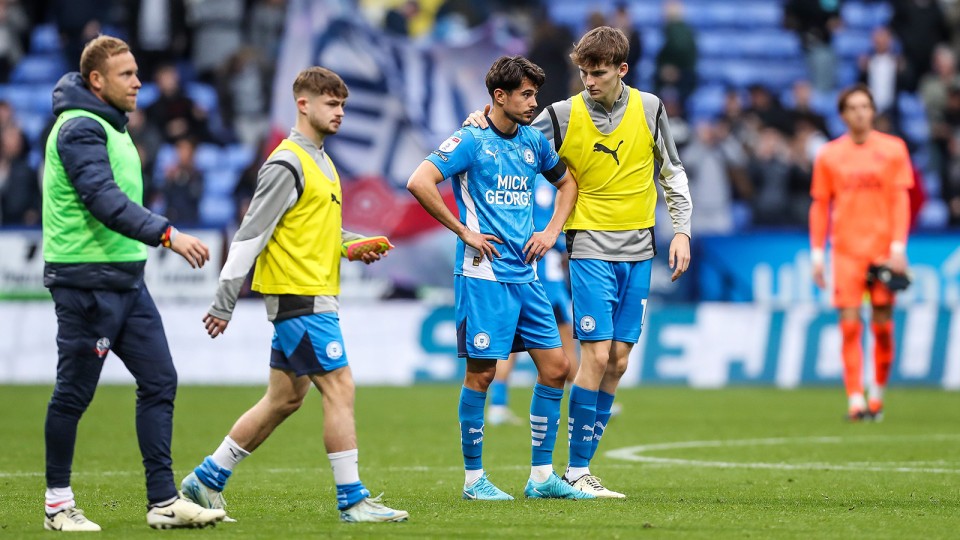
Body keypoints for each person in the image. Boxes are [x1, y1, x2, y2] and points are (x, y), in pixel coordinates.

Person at [466, 26, 692, 498]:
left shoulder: (649, 108)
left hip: (640, 248)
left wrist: (683, 231)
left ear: (622, 70)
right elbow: (511, 135)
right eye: (584, 72)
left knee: (621, 361)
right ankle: (575, 470)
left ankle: (580, 467)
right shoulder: (562, 115)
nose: (589, 81)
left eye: (599, 73)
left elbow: (671, 171)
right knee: (596, 353)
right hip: (588, 245)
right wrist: (480, 120)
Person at [178, 66, 408, 523]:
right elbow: (250, 234)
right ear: (303, 104)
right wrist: (224, 300)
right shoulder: (287, 162)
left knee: (283, 399)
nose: (340, 112)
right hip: (300, 297)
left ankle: (206, 480)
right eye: (331, 103)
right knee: (340, 388)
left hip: (311, 293)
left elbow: (312, 230)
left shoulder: (322, 162)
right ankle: (352, 501)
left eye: (343, 104)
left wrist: (350, 245)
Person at [41, 35, 223, 531]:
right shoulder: (79, 128)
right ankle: (58, 504)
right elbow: (102, 199)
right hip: (86, 284)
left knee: (160, 381)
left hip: (125, 280)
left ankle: (164, 501)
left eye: (138, 72)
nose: (139, 81)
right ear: (96, 80)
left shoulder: (112, 127)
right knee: (73, 395)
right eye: (127, 74)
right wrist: (167, 233)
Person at [406, 56, 588, 501]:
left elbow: (568, 184)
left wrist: (550, 232)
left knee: (557, 367)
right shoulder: (470, 140)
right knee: (482, 374)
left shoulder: (532, 142)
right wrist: (465, 230)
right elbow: (420, 180)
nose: (533, 103)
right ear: (499, 96)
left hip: (525, 274)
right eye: (526, 94)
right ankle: (473, 481)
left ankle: (542, 477)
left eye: (535, 94)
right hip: (482, 274)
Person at [809, 84, 913, 422]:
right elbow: (820, 206)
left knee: (882, 328)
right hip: (847, 253)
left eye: (865, 106)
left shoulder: (894, 149)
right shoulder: (829, 154)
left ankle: (877, 394)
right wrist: (816, 254)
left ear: (873, 110)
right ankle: (855, 399)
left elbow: (901, 200)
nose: (859, 113)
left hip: (882, 252)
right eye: (852, 107)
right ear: (843, 114)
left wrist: (898, 247)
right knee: (850, 327)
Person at [488, 174, 578, 427]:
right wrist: (561, 245)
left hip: (517, 270)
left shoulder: (520, 177)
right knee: (564, 347)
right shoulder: (558, 181)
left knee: (509, 347)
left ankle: (497, 404)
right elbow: (552, 229)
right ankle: (585, 399)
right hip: (546, 278)